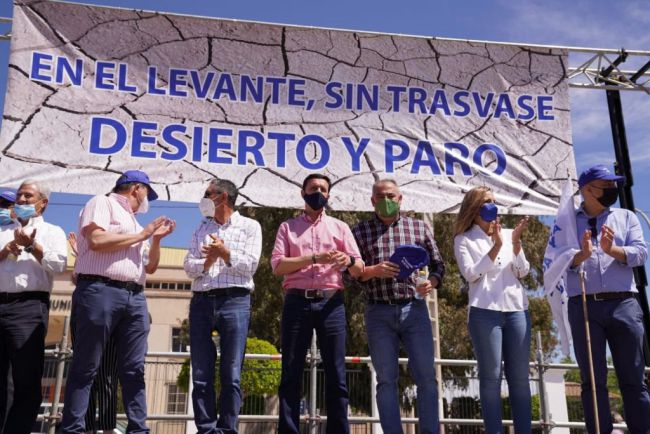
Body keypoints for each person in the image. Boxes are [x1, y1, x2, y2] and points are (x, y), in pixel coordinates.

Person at [61, 170, 175, 434]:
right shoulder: (102, 203)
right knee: (86, 365)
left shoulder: (135, 223)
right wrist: (144, 234)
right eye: (147, 192)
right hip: (100, 289)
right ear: (137, 188)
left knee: (134, 368)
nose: (148, 199)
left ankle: (138, 429)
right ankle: (73, 429)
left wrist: (155, 239)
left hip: (135, 296)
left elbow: (152, 266)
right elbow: (97, 240)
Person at [271, 173, 364, 434]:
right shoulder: (287, 227)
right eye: (313, 188)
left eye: (323, 189)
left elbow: (359, 267)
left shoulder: (340, 227)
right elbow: (277, 265)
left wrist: (347, 261)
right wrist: (315, 257)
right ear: (303, 193)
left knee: (336, 374)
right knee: (290, 373)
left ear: (329, 196)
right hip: (296, 303)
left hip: (331, 303)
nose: (319, 193)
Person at [350, 179, 444, 434]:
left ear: (401, 198)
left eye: (391, 195)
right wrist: (372, 271)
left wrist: (431, 283)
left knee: (426, 378)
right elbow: (350, 275)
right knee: (385, 381)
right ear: (372, 200)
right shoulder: (359, 232)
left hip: (414, 310)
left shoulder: (418, 227)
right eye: (380, 196)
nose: (386, 200)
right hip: (377, 311)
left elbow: (438, 266)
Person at [566, 164, 650, 433]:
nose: (613, 190)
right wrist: (580, 256)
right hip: (584, 305)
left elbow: (640, 253)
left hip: (624, 304)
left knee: (634, 378)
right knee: (592, 381)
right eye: (606, 185)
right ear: (587, 189)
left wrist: (611, 249)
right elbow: (553, 262)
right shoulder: (565, 222)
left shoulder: (626, 217)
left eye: (614, 185)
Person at [183, 179, 262, 434]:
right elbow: (188, 267)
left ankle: (227, 429)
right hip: (202, 302)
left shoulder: (250, 226)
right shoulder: (200, 229)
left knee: (231, 373)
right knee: (202, 373)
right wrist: (208, 261)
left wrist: (225, 253)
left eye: (207, 194)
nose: (204, 198)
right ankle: (206, 429)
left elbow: (250, 266)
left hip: (235, 301)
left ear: (223, 197)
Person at [453, 186, 531, 434]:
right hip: (484, 311)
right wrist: (495, 247)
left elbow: (523, 271)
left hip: (517, 309)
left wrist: (515, 244)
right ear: (474, 208)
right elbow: (471, 274)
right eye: (487, 201)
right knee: (490, 378)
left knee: (519, 379)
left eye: (494, 201)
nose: (493, 206)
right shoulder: (463, 239)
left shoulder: (509, 234)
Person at [0, 181, 67, 434]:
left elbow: (59, 265)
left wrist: (32, 246)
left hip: (28, 308)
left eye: (29, 196)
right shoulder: (3, 231)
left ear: (43, 203)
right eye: (19, 196)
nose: (22, 200)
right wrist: (6, 250)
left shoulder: (53, 231)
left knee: (25, 380)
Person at [68, 232, 119, 434]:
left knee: (107, 375)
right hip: (86, 308)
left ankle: (107, 429)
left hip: (112, 308)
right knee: (84, 372)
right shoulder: (88, 246)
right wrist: (80, 257)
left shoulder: (120, 244)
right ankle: (86, 428)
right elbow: (75, 278)